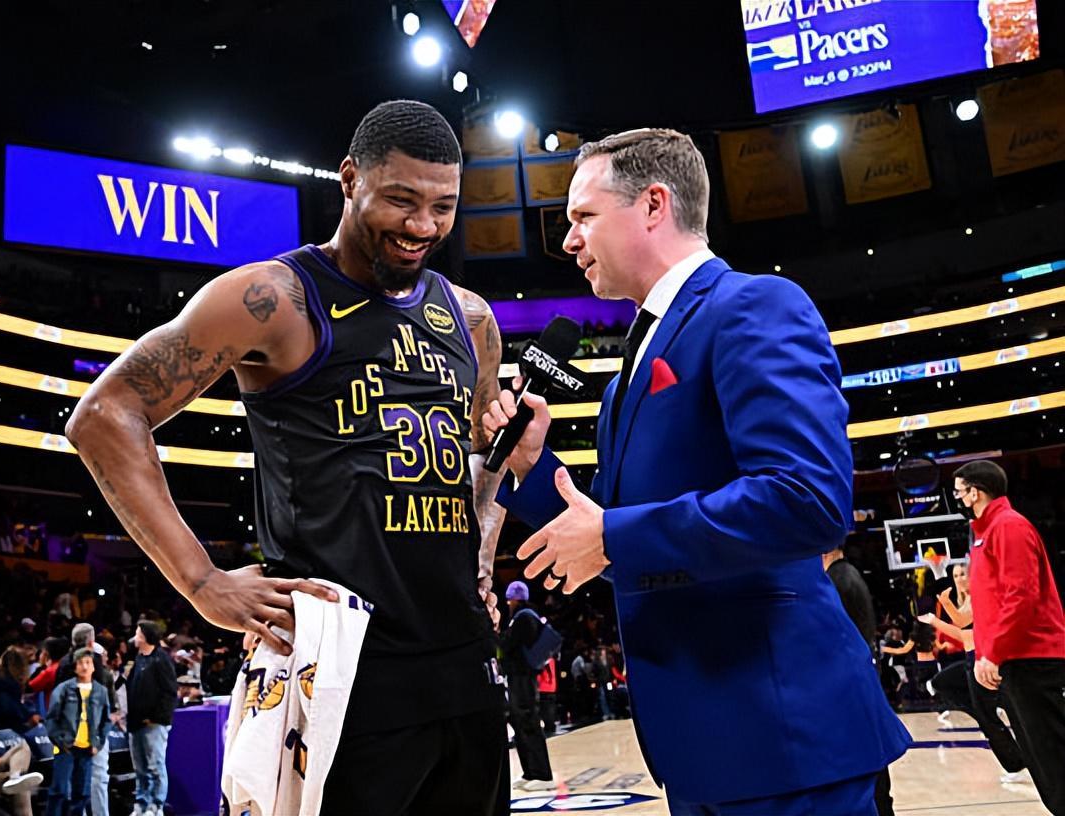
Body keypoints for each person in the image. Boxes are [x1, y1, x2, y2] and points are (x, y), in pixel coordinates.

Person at [66, 99, 509, 815]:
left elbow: (483, 457)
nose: (423, 226)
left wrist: (482, 555)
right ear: (350, 179)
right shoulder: (272, 297)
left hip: (465, 667)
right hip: (339, 670)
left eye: (443, 207)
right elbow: (105, 416)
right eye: (401, 200)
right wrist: (201, 581)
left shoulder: (473, 317)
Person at [486, 127, 911, 814]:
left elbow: (806, 499)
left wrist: (615, 536)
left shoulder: (754, 305)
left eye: (583, 216)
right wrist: (533, 465)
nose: (568, 241)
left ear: (653, 204)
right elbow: (615, 543)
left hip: (783, 744)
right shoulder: (624, 379)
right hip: (701, 749)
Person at [955, 460, 1065, 815]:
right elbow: (989, 605)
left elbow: (1021, 595)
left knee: (1052, 752)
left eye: (959, 491)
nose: (957, 497)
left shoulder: (1009, 526)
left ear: (975, 492)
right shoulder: (984, 533)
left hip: (1033, 656)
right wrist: (984, 653)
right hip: (1014, 659)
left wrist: (994, 652)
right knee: (1040, 756)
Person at [822, 547, 895, 816]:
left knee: (866, 769)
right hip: (861, 676)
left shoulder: (837, 580)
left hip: (850, 682)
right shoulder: (848, 575)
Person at [500, 581, 554, 791]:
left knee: (529, 721)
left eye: (509, 599)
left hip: (523, 678)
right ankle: (530, 772)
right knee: (520, 722)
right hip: (520, 677)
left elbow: (509, 645)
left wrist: (500, 641)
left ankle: (542, 774)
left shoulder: (524, 618)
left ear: (515, 599)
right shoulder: (524, 617)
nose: (508, 603)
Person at [45, 649, 111, 816]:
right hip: (65, 747)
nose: (84, 666)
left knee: (82, 793)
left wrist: (98, 743)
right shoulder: (63, 689)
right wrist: (60, 741)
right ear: (74, 667)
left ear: (94, 667)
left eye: (88, 662)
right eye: (80, 663)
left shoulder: (101, 691)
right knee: (59, 790)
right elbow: (52, 718)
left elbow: (106, 721)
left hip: (87, 748)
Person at [126, 621, 176, 815]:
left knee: (155, 766)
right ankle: (142, 803)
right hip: (135, 722)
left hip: (154, 723)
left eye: (138, 632)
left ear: (146, 636)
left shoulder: (161, 659)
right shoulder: (139, 659)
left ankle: (156, 805)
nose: (135, 636)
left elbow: (169, 692)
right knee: (140, 768)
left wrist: (157, 717)